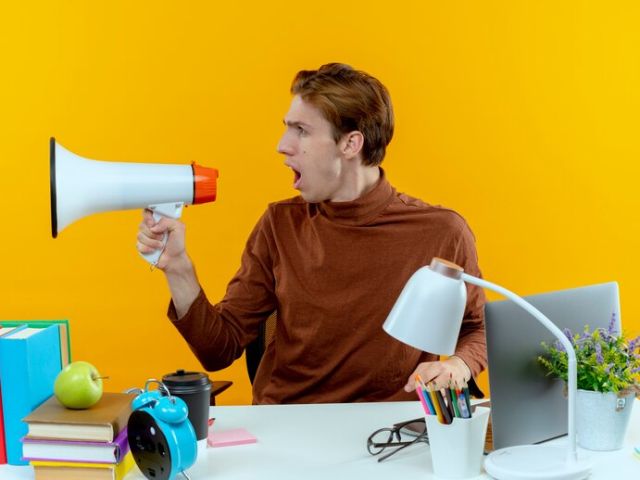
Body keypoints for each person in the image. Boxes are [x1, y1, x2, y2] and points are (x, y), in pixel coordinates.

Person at [137, 63, 487, 404]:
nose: (282, 145)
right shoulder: (280, 224)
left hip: (389, 428)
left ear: (350, 144)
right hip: (290, 424)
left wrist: (459, 366)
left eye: (301, 130)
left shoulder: (441, 232)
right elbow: (219, 349)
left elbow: (478, 329)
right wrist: (177, 266)